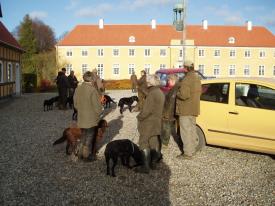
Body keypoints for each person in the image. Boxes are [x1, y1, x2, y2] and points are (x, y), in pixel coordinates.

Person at [135, 74, 165, 174]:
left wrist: (139, 116)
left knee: (143, 142)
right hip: (157, 121)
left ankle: (145, 167)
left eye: (148, 81)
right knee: (154, 141)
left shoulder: (152, 94)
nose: (147, 83)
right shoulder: (160, 92)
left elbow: (146, 111)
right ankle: (153, 163)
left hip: (149, 122)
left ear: (151, 83)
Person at [73, 71, 103, 161]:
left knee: (83, 135)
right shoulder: (92, 90)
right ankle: (86, 156)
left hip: (81, 116)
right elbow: (97, 106)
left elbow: (75, 104)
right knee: (89, 136)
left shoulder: (78, 88)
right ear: (91, 79)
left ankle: (80, 153)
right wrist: (99, 112)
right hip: (91, 118)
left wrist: (81, 110)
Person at [176, 60, 202, 159]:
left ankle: (187, 153)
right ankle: (192, 150)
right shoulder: (197, 78)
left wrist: (177, 92)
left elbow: (184, 95)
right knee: (191, 130)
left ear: (185, 68)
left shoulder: (186, 79)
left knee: (185, 131)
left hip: (185, 109)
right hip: (194, 108)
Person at [161, 74, 184, 155]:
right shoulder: (176, 87)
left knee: (166, 128)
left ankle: (164, 143)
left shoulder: (174, 89)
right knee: (171, 127)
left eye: (169, 80)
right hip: (172, 113)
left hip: (169, 113)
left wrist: (166, 114)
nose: (168, 82)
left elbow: (171, 103)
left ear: (173, 80)